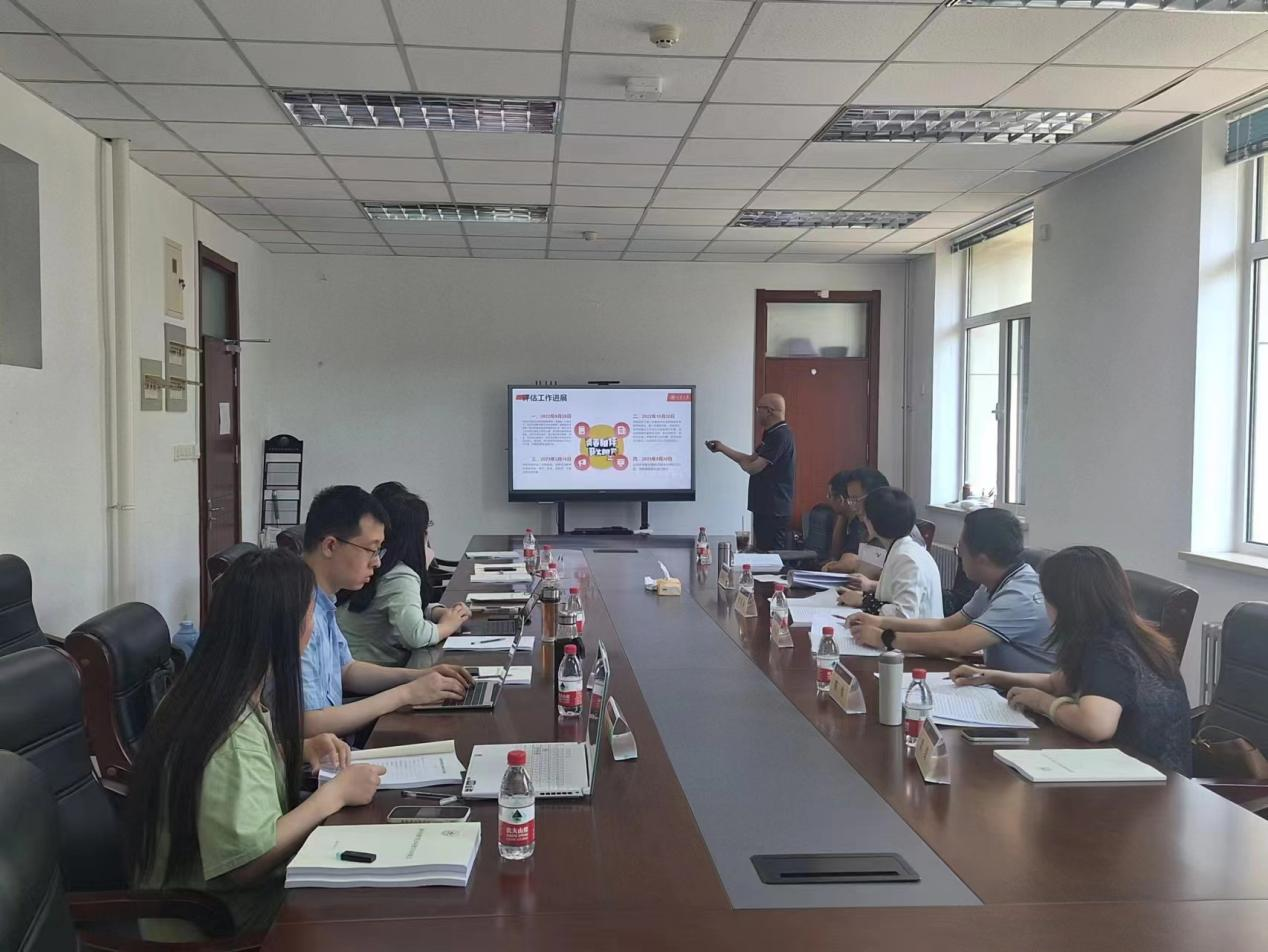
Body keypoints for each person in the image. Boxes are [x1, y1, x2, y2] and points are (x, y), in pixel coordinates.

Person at [125, 549, 386, 938]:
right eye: (310, 615)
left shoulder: (213, 689)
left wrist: (297, 749)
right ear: (286, 629)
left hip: (229, 904)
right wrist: (334, 795)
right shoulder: (230, 729)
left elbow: (236, 778)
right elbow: (247, 861)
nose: (313, 627)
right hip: (221, 926)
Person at [950, 546, 1191, 775]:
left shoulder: (1111, 649)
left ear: (1065, 603)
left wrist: (1041, 702)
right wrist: (992, 677)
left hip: (1150, 778)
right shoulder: (1115, 634)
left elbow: (1096, 725)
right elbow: (1057, 683)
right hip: (1126, 767)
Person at [299, 485, 473, 738]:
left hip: (338, 740)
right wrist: (406, 694)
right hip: (319, 754)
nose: (378, 561)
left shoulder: (324, 601)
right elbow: (308, 725)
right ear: (330, 546)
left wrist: (419, 676)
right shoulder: (298, 610)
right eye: (371, 550)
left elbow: (346, 670)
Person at [848, 508, 1054, 671]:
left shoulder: (1019, 596)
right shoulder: (996, 583)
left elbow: (957, 643)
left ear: (982, 559)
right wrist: (879, 621)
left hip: (1032, 702)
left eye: (959, 551)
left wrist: (884, 638)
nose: (959, 558)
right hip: (1002, 685)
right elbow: (946, 624)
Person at [338, 490, 470, 667]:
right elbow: (416, 635)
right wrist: (447, 626)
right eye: (426, 528)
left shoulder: (381, 564)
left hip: (358, 665)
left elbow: (396, 608)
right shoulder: (400, 576)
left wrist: (436, 612)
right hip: (373, 672)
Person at [706, 393, 796, 551]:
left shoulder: (780, 435)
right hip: (764, 507)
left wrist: (746, 465)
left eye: (759, 409)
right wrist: (721, 448)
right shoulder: (771, 433)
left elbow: (753, 468)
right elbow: (750, 459)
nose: (757, 413)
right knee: (762, 552)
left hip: (773, 510)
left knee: (770, 556)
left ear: (769, 411)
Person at [836, 487, 941, 619]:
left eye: (866, 516)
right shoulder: (902, 549)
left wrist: (865, 601)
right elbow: (893, 595)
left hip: (912, 631)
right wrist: (864, 597)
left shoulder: (907, 559)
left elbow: (903, 615)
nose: (863, 520)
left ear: (875, 522)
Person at [822, 467, 891, 573]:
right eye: (850, 500)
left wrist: (830, 567)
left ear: (876, 497)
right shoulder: (865, 525)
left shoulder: (895, 529)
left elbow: (850, 564)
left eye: (855, 500)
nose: (852, 506)